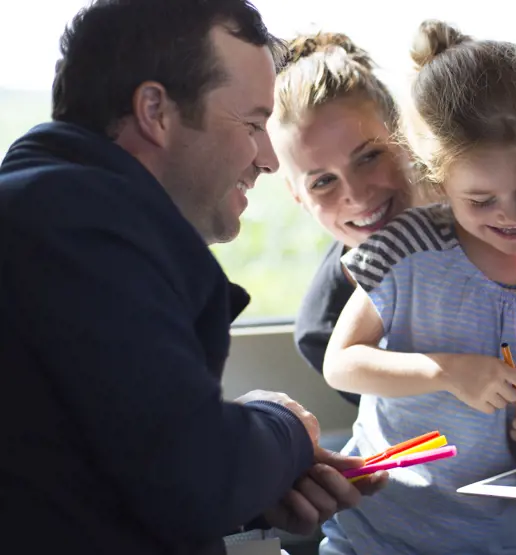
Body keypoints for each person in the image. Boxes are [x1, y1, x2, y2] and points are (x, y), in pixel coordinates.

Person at [0, 1, 384, 554]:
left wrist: (257, 482)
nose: (269, 159)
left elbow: (92, 476)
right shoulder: (75, 231)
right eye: (252, 123)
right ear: (155, 110)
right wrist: (284, 428)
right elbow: (193, 470)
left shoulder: (56, 216)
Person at [271, 30, 516, 554]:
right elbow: (343, 363)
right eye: (481, 201)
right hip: (377, 538)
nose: (513, 213)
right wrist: (446, 370)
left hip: (498, 540)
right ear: (439, 181)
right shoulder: (402, 251)